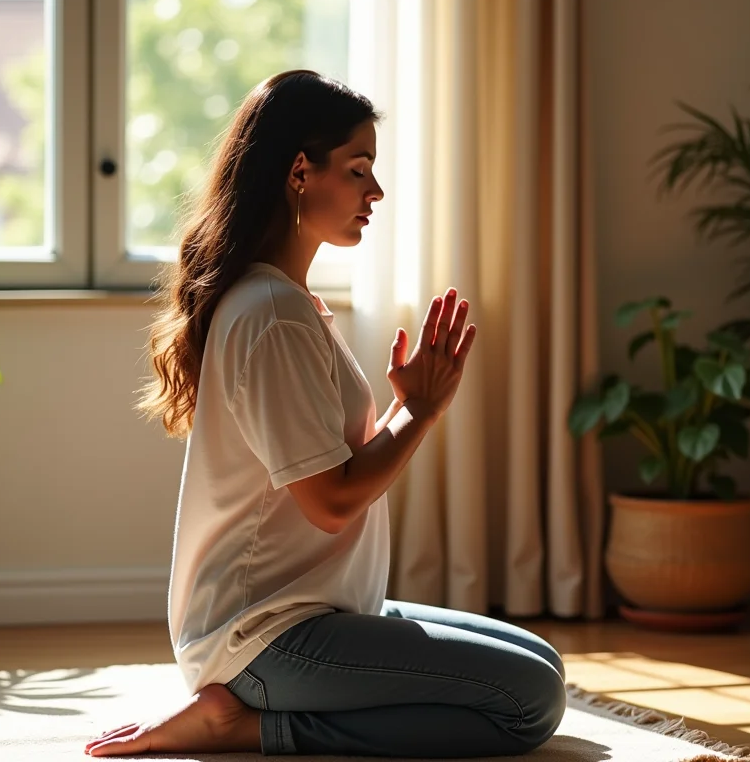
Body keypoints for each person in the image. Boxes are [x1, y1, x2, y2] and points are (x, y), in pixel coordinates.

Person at [85, 69, 567, 758]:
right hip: (264, 637)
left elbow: (328, 471)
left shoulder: (286, 302)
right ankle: (243, 723)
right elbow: (332, 501)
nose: (375, 192)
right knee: (530, 703)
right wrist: (418, 411)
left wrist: (409, 408)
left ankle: (259, 704)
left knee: (539, 660)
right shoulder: (271, 315)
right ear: (300, 173)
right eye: (359, 169)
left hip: (316, 607)